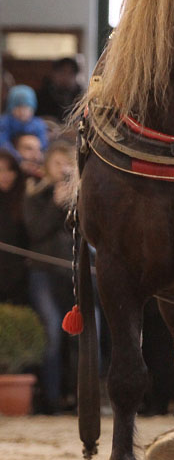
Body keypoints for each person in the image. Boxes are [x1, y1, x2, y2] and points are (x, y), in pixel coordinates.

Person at [23, 141, 76, 413]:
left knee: (79, 337)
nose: (62, 169)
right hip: (43, 274)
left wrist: (70, 203)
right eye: (57, 163)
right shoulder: (35, 194)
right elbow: (36, 231)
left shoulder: (78, 197)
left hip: (74, 274)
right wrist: (56, 205)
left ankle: (76, 397)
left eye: (66, 163)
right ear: (47, 166)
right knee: (53, 333)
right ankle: (52, 398)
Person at [0, 149, 29, 304]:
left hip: (20, 273)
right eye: (0, 171)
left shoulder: (25, 197)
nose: (5, 176)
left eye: (10, 170)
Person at [0, 85, 48, 152]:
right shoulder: (4, 123)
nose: (22, 112)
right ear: (10, 108)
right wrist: (17, 156)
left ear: (33, 108)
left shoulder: (38, 125)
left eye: (26, 107)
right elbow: (3, 143)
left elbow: (43, 146)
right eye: (18, 107)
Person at [37, 58, 83, 123]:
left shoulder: (82, 98)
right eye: (62, 72)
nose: (66, 76)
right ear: (54, 73)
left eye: (70, 73)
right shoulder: (41, 97)